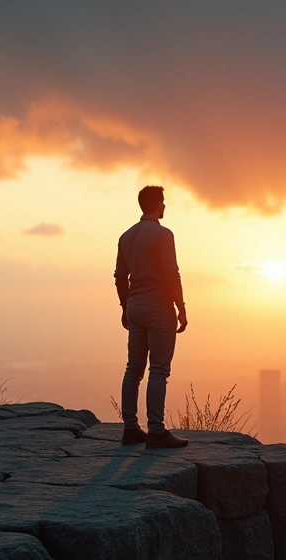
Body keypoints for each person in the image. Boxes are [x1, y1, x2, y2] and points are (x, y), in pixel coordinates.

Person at [113, 185, 189, 448]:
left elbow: (120, 277)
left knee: (133, 370)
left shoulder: (126, 236)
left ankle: (130, 429)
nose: (165, 206)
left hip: (135, 306)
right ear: (156, 204)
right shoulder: (163, 234)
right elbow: (171, 273)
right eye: (164, 202)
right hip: (158, 308)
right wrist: (180, 306)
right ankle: (156, 431)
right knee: (158, 370)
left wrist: (125, 307)